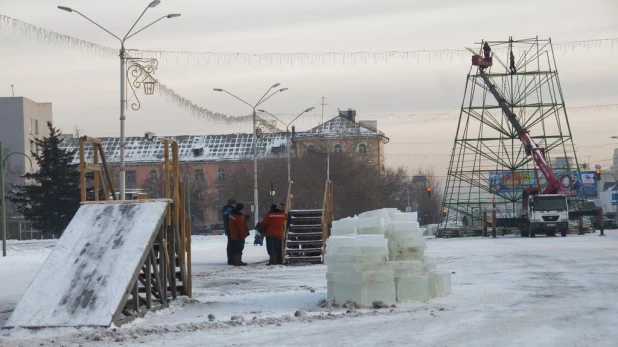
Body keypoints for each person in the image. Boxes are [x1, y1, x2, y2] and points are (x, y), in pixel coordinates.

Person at [222, 198, 237, 265]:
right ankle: (232, 259)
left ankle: (230, 259)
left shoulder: (225, 210)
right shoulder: (230, 210)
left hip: (228, 228)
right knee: (232, 244)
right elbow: (234, 219)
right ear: (233, 204)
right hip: (231, 229)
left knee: (230, 244)